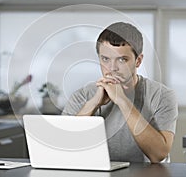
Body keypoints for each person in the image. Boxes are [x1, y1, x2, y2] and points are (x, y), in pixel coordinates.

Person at [62, 22, 178, 163]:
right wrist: (92, 104)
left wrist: (122, 101)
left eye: (122, 60)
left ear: (138, 61)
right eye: (105, 59)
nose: (112, 68)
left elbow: (158, 155)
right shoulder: (83, 95)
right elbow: (65, 145)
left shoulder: (162, 96)